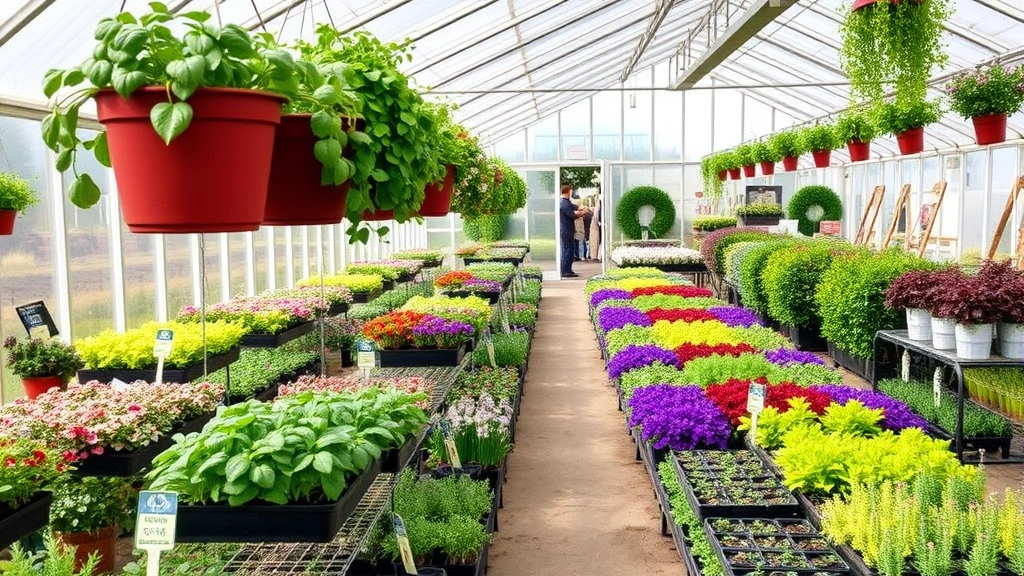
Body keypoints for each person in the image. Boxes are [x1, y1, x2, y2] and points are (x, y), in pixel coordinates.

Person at [559, 185, 589, 277]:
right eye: (571, 191)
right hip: (566, 231)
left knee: (568, 250)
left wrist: (581, 208)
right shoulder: (565, 204)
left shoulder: (566, 202)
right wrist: (583, 213)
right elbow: (572, 215)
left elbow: (575, 207)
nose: (572, 192)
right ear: (568, 192)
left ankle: (568, 270)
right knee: (568, 250)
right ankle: (566, 271)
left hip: (567, 230)